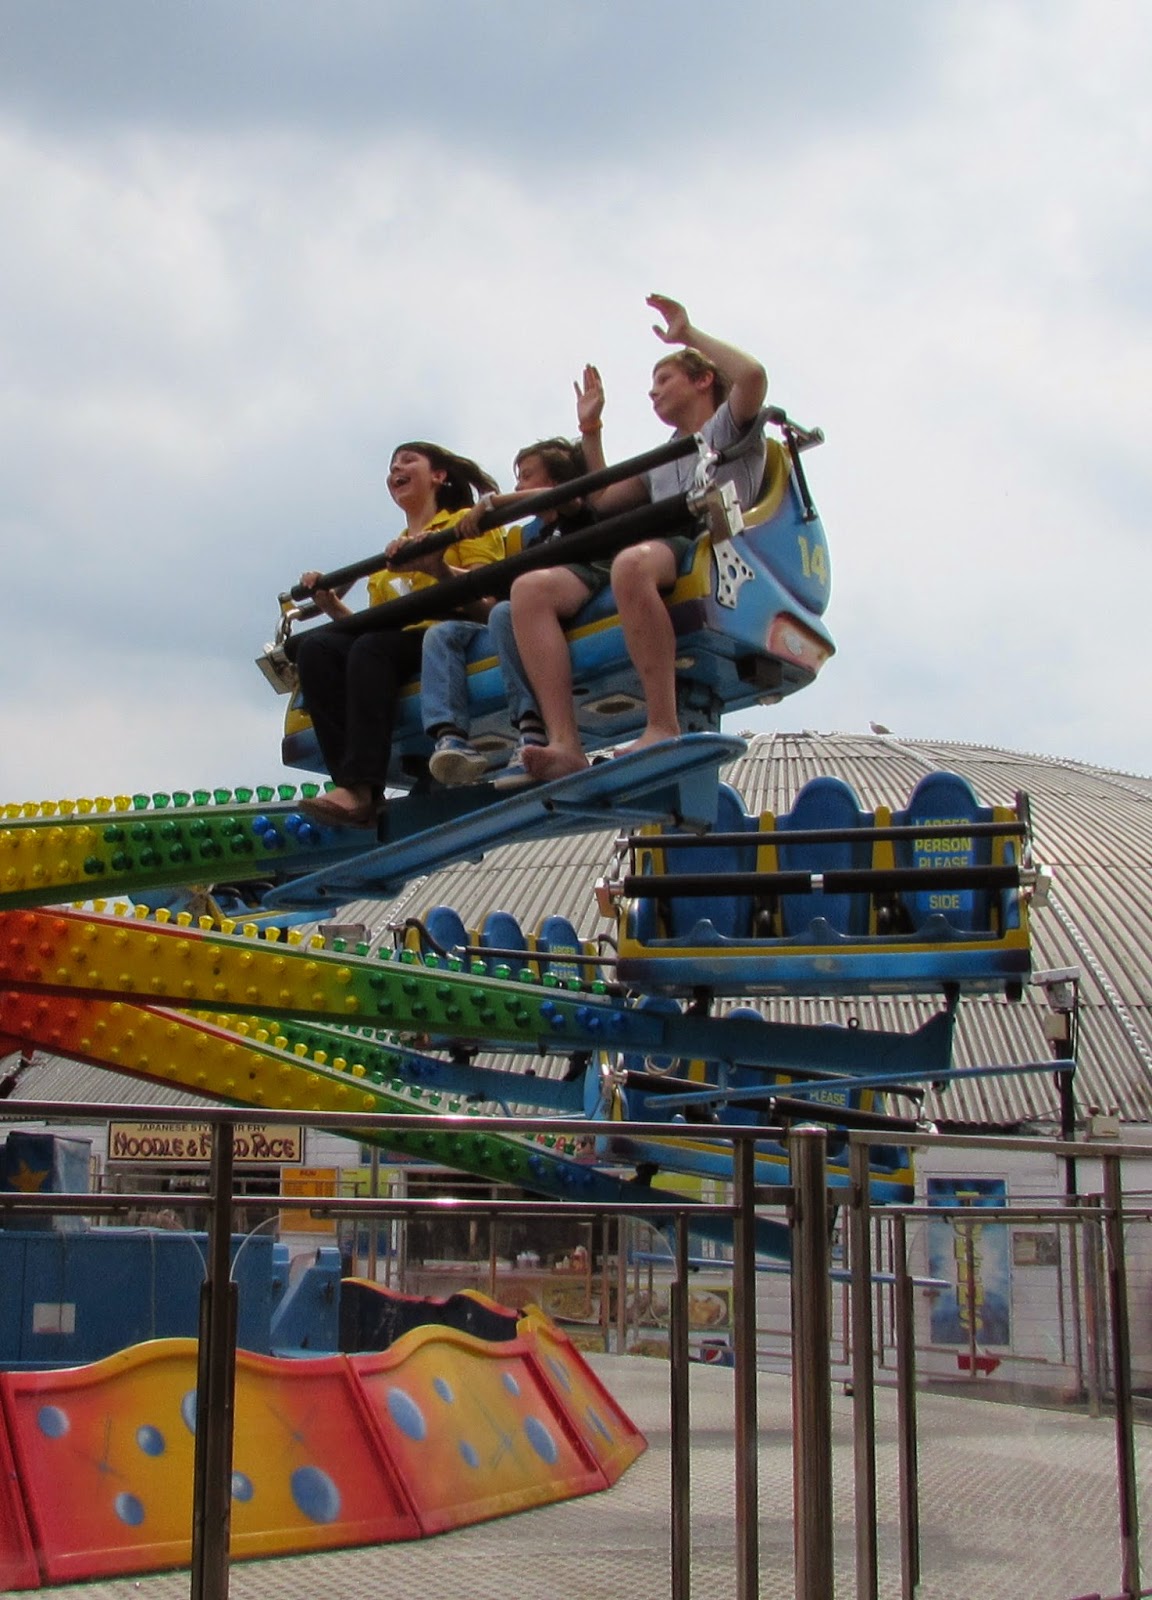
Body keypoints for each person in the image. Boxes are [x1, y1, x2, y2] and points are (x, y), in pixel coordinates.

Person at [512, 295, 768, 785]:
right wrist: (591, 430)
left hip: (717, 544)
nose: (652, 394)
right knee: (529, 590)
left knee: (632, 563)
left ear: (702, 379)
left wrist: (687, 334)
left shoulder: (727, 425)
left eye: (663, 380)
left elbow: (753, 375)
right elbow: (604, 500)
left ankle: (662, 724)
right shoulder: (666, 454)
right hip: (671, 550)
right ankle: (565, 743)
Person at [293, 442, 502, 826]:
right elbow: (374, 623)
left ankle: (361, 786)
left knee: (371, 648)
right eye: (392, 466)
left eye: (408, 461)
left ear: (438, 475)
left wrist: (437, 567)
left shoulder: (462, 525)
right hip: (396, 640)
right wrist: (330, 606)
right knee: (317, 647)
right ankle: (354, 788)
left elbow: (487, 597)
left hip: (449, 632)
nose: (395, 470)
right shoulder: (387, 559)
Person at [424, 435, 592, 786]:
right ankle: (451, 738)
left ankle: (532, 729)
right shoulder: (529, 537)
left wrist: (491, 502)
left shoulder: (578, 512)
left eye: (527, 475)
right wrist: (436, 568)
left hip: (563, 606)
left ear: (554, 482)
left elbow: (569, 496)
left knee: (505, 612)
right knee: (442, 633)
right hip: (520, 614)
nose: (518, 485)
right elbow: (487, 603)